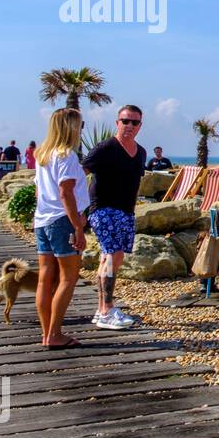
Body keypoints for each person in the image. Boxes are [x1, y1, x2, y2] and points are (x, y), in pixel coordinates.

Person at [82, 104, 147, 331]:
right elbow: (81, 174)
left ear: (140, 125)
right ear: (117, 122)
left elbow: (135, 182)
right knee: (112, 254)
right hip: (103, 208)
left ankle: (102, 310)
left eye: (134, 122)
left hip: (125, 212)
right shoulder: (105, 147)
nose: (129, 126)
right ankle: (108, 309)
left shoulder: (141, 152)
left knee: (112, 259)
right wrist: (81, 210)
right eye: (125, 121)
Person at [32, 108, 89, 349]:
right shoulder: (66, 156)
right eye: (81, 125)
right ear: (71, 127)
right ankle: (54, 334)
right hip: (62, 220)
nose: (82, 129)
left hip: (43, 220)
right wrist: (77, 226)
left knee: (46, 279)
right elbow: (66, 192)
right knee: (68, 277)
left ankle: (48, 333)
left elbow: (38, 191)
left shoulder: (42, 154)